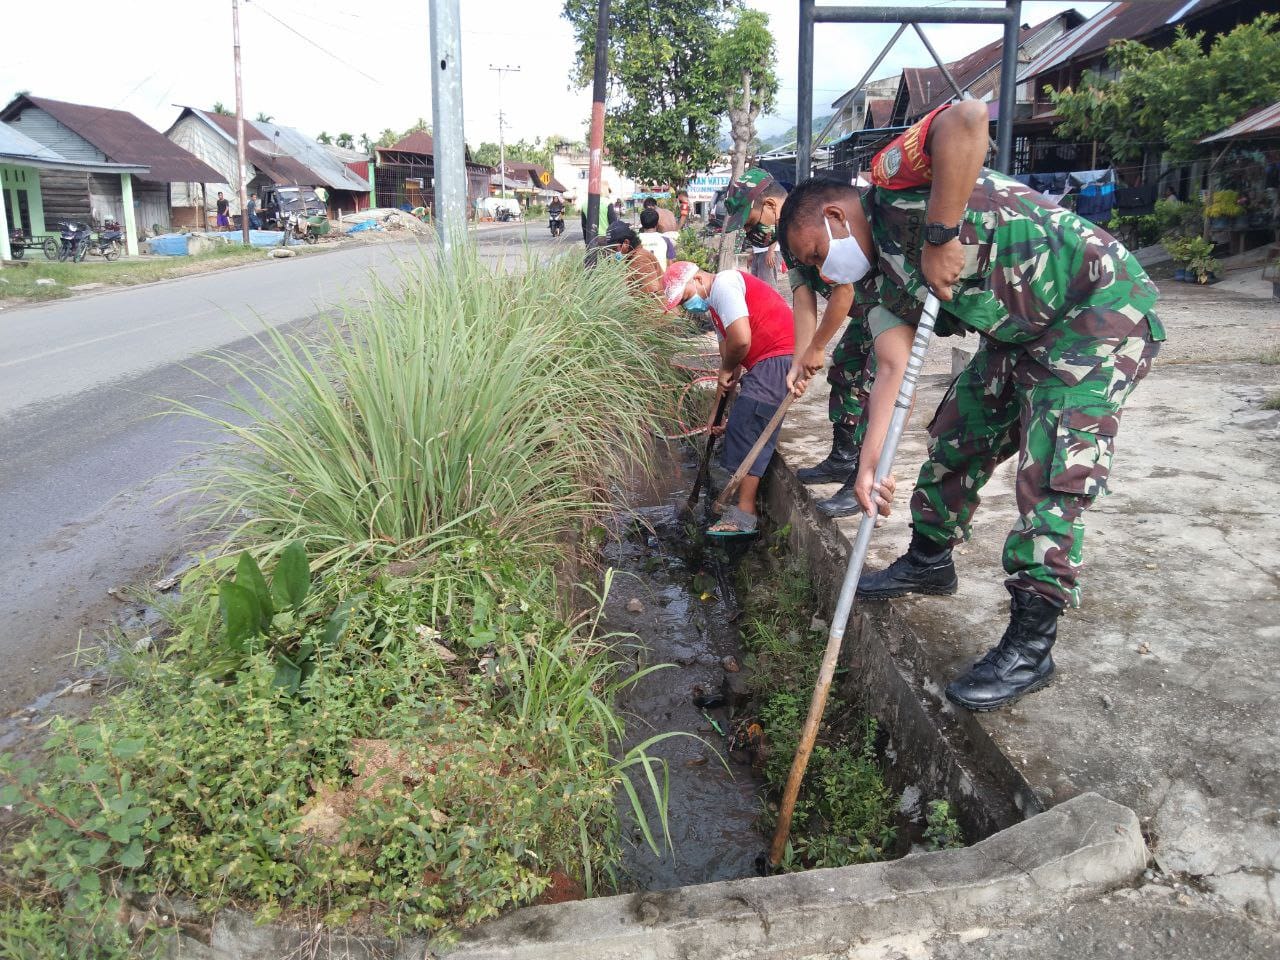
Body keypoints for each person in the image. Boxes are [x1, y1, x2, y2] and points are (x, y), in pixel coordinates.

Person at [777, 99, 1164, 711]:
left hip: (1095, 312)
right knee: (959, 432)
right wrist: (869, 465)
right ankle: (929, 561)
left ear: (833, 216)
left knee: (1054, 470)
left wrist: (940, 235)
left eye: (817, 256)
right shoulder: (875, 278)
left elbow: (967, 117)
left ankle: (1032, 644)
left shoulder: (893, 181)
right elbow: (893, 368)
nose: (824, 273)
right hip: (1019, 333)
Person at [661, 259, 796, 536]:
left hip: (778, 357)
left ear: (698, 279)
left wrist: (726, 370)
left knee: (748, 427)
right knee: (739, 423)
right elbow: (730, 363)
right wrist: (717, 412)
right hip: (766, 361)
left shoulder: (724, 284)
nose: (687, 307)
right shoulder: (716, 308)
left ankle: (745, 514)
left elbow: (741, 341)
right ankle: (740, 508)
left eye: (685, 298)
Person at [585, 220, 663, 296]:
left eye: (614, 249)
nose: (613, 253)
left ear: (626, 243)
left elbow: (653, 290)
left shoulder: (639, 259)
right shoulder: (631, 258)